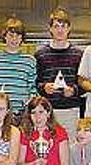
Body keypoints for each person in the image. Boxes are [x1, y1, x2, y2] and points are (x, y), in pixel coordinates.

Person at [35, 8, 84, 136]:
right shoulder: (40, 54)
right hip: (47, 111)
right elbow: (35, 83)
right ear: (50, 29)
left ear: (69, 29)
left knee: (71, 147)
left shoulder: (79, 54)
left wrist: (74, 90)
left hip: (71, 110)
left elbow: (84, 83)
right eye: (56, 26)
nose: (60, 30)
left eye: (63, 26)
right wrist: (44, 87)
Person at [0, 17, 37, 123]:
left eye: (18, 36)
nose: (14, 39)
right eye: (11, 35)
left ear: (22, 38)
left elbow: (32, 89)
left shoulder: (30, 61)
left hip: (20, 114)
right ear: (5, 36)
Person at [17, 96, 69, 165]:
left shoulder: (60, 132)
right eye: (33, 113)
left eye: (41, 112)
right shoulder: (24, 134)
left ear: (48, 113)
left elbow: (64, 164)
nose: (37, 117)